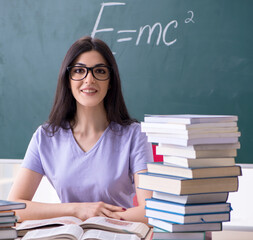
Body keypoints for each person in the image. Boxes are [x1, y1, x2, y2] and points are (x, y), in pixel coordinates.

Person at [8, 36, 153, 223]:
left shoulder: (134, 135)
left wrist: (97, 218)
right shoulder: (44, 137)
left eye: (99, 71)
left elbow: (150, 211)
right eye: (79, 71)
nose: (89, 79)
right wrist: (77, 210)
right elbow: (12, 207)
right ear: (68, 80)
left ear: (111, 81)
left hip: (118, 234)